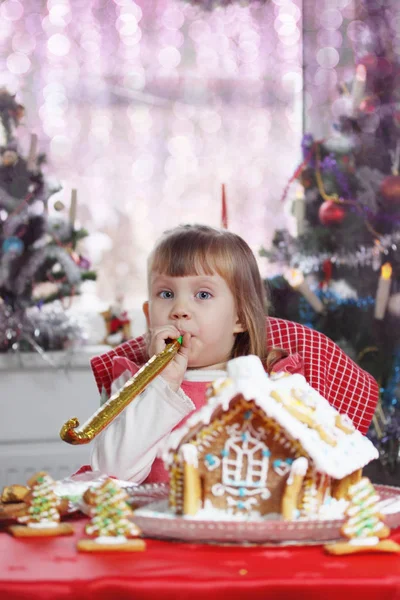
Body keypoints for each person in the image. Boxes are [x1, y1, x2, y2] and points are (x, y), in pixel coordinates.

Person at [90, 224, 379, 484]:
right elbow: (111, 474)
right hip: (160, 538)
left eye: (202, 295)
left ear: (240, 317)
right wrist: (159, 384)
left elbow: (309, 471)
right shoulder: (131, 384)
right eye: (165, 294)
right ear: (147, 314)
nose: (179, 309)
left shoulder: (275, 385)